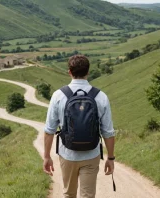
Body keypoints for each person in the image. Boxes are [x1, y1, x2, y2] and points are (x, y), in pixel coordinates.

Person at [43, 55, 115, 198]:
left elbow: (49, 130)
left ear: (69, 72)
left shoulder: (58, 96)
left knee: (69, 194)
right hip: (91, 154)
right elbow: (108, 132)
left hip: (67, 154)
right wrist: (110, 158)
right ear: (88, 72)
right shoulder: (101, 96)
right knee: (88, 195)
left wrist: (46, 157)